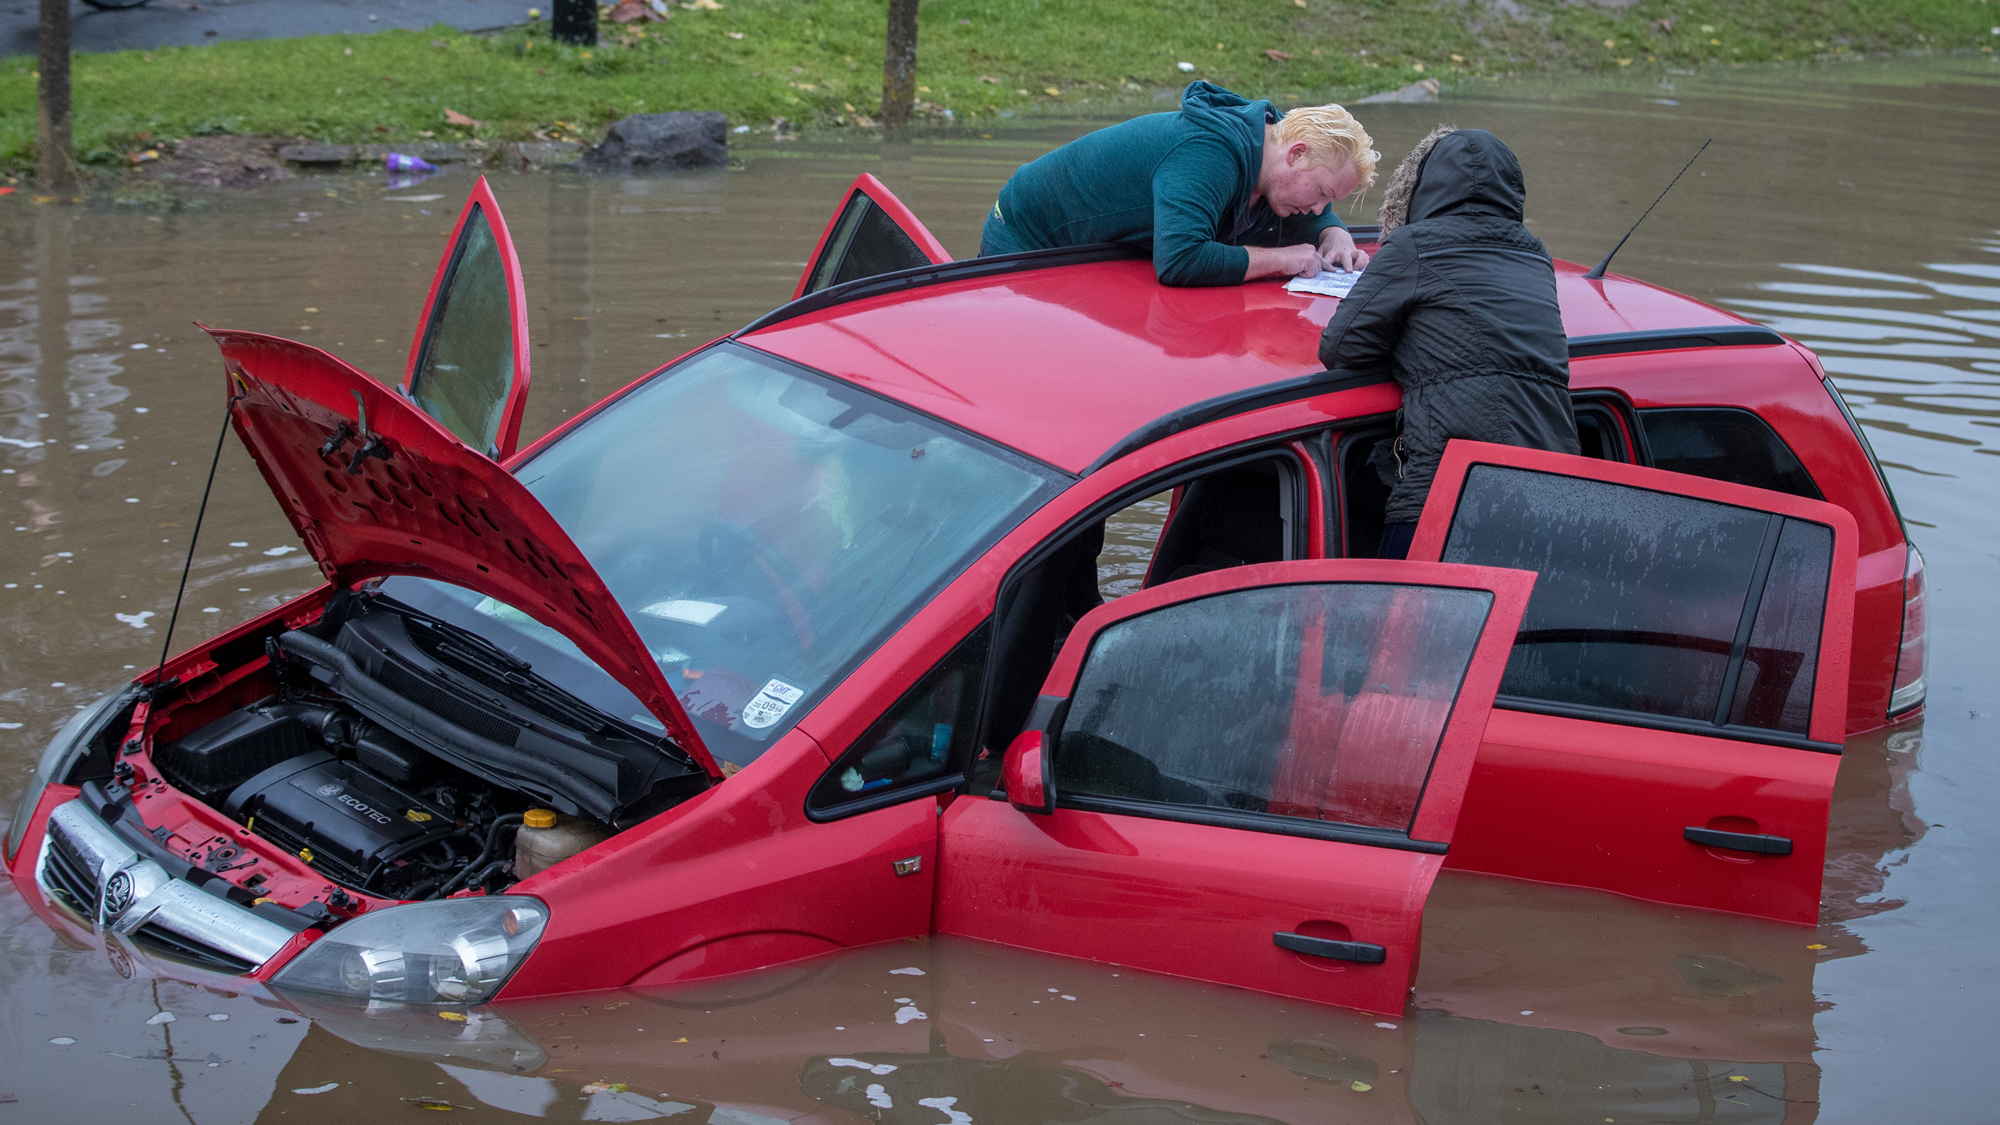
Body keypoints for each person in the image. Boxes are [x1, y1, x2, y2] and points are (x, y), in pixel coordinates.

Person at [1318, 126, 1580, 560]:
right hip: (1554, 495)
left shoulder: (1413, 246)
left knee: (1397, 626)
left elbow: (1340, 347)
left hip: (1454, 496)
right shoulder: (1535, 256)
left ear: (1426, 188)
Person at [979, 82, 1378, 287]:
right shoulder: (1208, 155)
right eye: (1323, 194)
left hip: (1090, 251)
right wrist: (1284, 259)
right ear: (1297, 154)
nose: (1317, 207)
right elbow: (1180, 260)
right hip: (1023, 239)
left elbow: (1302, 211)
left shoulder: (1271, 155)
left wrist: (1333, 232)